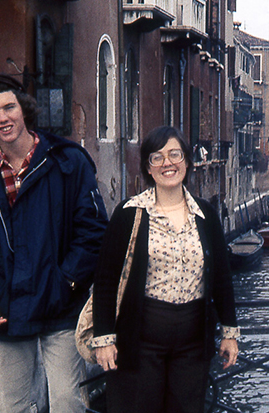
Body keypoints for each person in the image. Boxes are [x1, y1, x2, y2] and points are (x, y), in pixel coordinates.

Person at [0, 74, 108, 412]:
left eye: (9, 107)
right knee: (9, 406)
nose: (3, 118)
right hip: (7, 310)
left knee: (68, 402)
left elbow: (94, 232)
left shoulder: (69, 161)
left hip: (61, 306)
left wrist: (64, 282)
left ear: (23, 110)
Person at [91, 126, 239, 413]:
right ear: (148, 166)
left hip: (193, 340)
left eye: (175, 154)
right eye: (157, 158)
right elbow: (106, 280)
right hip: (140, 336)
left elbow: (221, 276)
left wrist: (230, 333)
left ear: (186, 160)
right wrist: (104, 339)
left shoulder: (205, 214)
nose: (167, 163)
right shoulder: (129, 213)